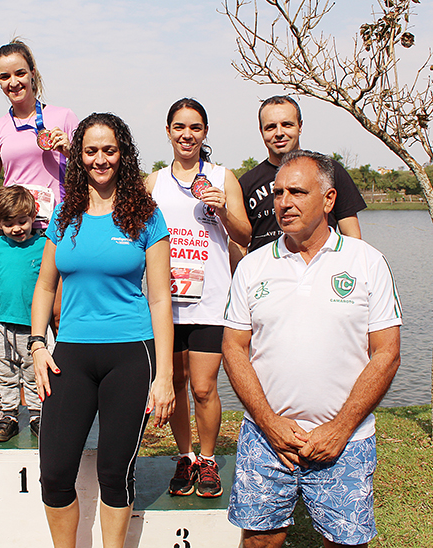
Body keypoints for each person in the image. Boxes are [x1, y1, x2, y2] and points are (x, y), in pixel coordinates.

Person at [223, 150, 402, 548]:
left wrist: (339, 429)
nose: (283, 202)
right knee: (260, 541)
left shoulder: (367, 262)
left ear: (328, 200)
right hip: (266, 438)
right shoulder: (253, 266)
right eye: (278, 192)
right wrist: (268, 422)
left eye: (297, 192)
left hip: (346, 442)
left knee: (345, 543)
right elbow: (233, 349)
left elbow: (387, 353)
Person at [31, 113, 175, 548]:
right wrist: (38, 344)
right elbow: (44, 284)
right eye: (90, 150)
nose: (99, 159)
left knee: (115, 471)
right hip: (70, 354)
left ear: (122, 154)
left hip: (130, 355)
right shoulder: (65, 214)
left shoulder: (146, 215)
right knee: (54, 473)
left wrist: (164, 376)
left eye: (108, 150)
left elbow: (160, 299)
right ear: (79, 156)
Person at [145, 99, 251, 498]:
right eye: (179, 127)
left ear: (205, 132)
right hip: (165, 304)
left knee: (204, 388)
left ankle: (208, 459)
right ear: (168, 131)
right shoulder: (154, 182)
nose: (186, 134)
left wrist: (223, 211)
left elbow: (243, 235)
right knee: (173, 381)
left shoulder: (224, 177)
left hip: (211, 302)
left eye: (195, 127)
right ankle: (185, 456)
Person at [0, 38, 78, 240]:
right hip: (9, 229)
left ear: (32, 73)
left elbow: (90, 170)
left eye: (20, 73)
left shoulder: (64, 117)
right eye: (5, 77)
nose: (13, 82)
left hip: (53, 227)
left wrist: (71, 152)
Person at [238, 95, 366, 252]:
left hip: (321, 268)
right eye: (271, 127)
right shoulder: (246, 183)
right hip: (266, 272)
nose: (279, 133)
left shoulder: (329, 170)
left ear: (300, 126)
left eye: (287, 125)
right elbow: (240, 243)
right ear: (261, 131)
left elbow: (352, 235)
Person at [0, 186, 45, 442]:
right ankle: (9, 415)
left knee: (34, 373)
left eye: (22, 222)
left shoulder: (45, 244)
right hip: (3, 323)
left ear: (33, 217)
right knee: (6, 372)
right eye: (9, 223)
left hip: (35, 326)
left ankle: (37, 415)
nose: (17, 229)